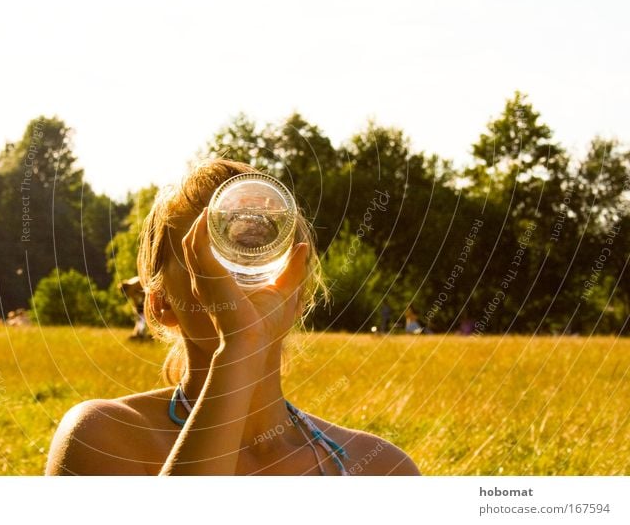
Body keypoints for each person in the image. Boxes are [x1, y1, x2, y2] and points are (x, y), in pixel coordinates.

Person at [46, 159, 419, 476]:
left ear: (300, 293)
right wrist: (240, 346)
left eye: (256, 250)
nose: (239, 279)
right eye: (209, 257)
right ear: (160, 303)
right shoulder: (107, 436)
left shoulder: (381, 468)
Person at [120, 276, 148, 340]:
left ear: (127, 290)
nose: (127, 296)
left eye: (126, 294)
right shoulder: (131, 289)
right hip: (143, 301)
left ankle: (141, 334)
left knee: (141, 317)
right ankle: (139, 333)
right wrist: (136, 311)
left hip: (150, 295)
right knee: (140, 318)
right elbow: (135, 302)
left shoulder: (137, 283)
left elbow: (147, 291)